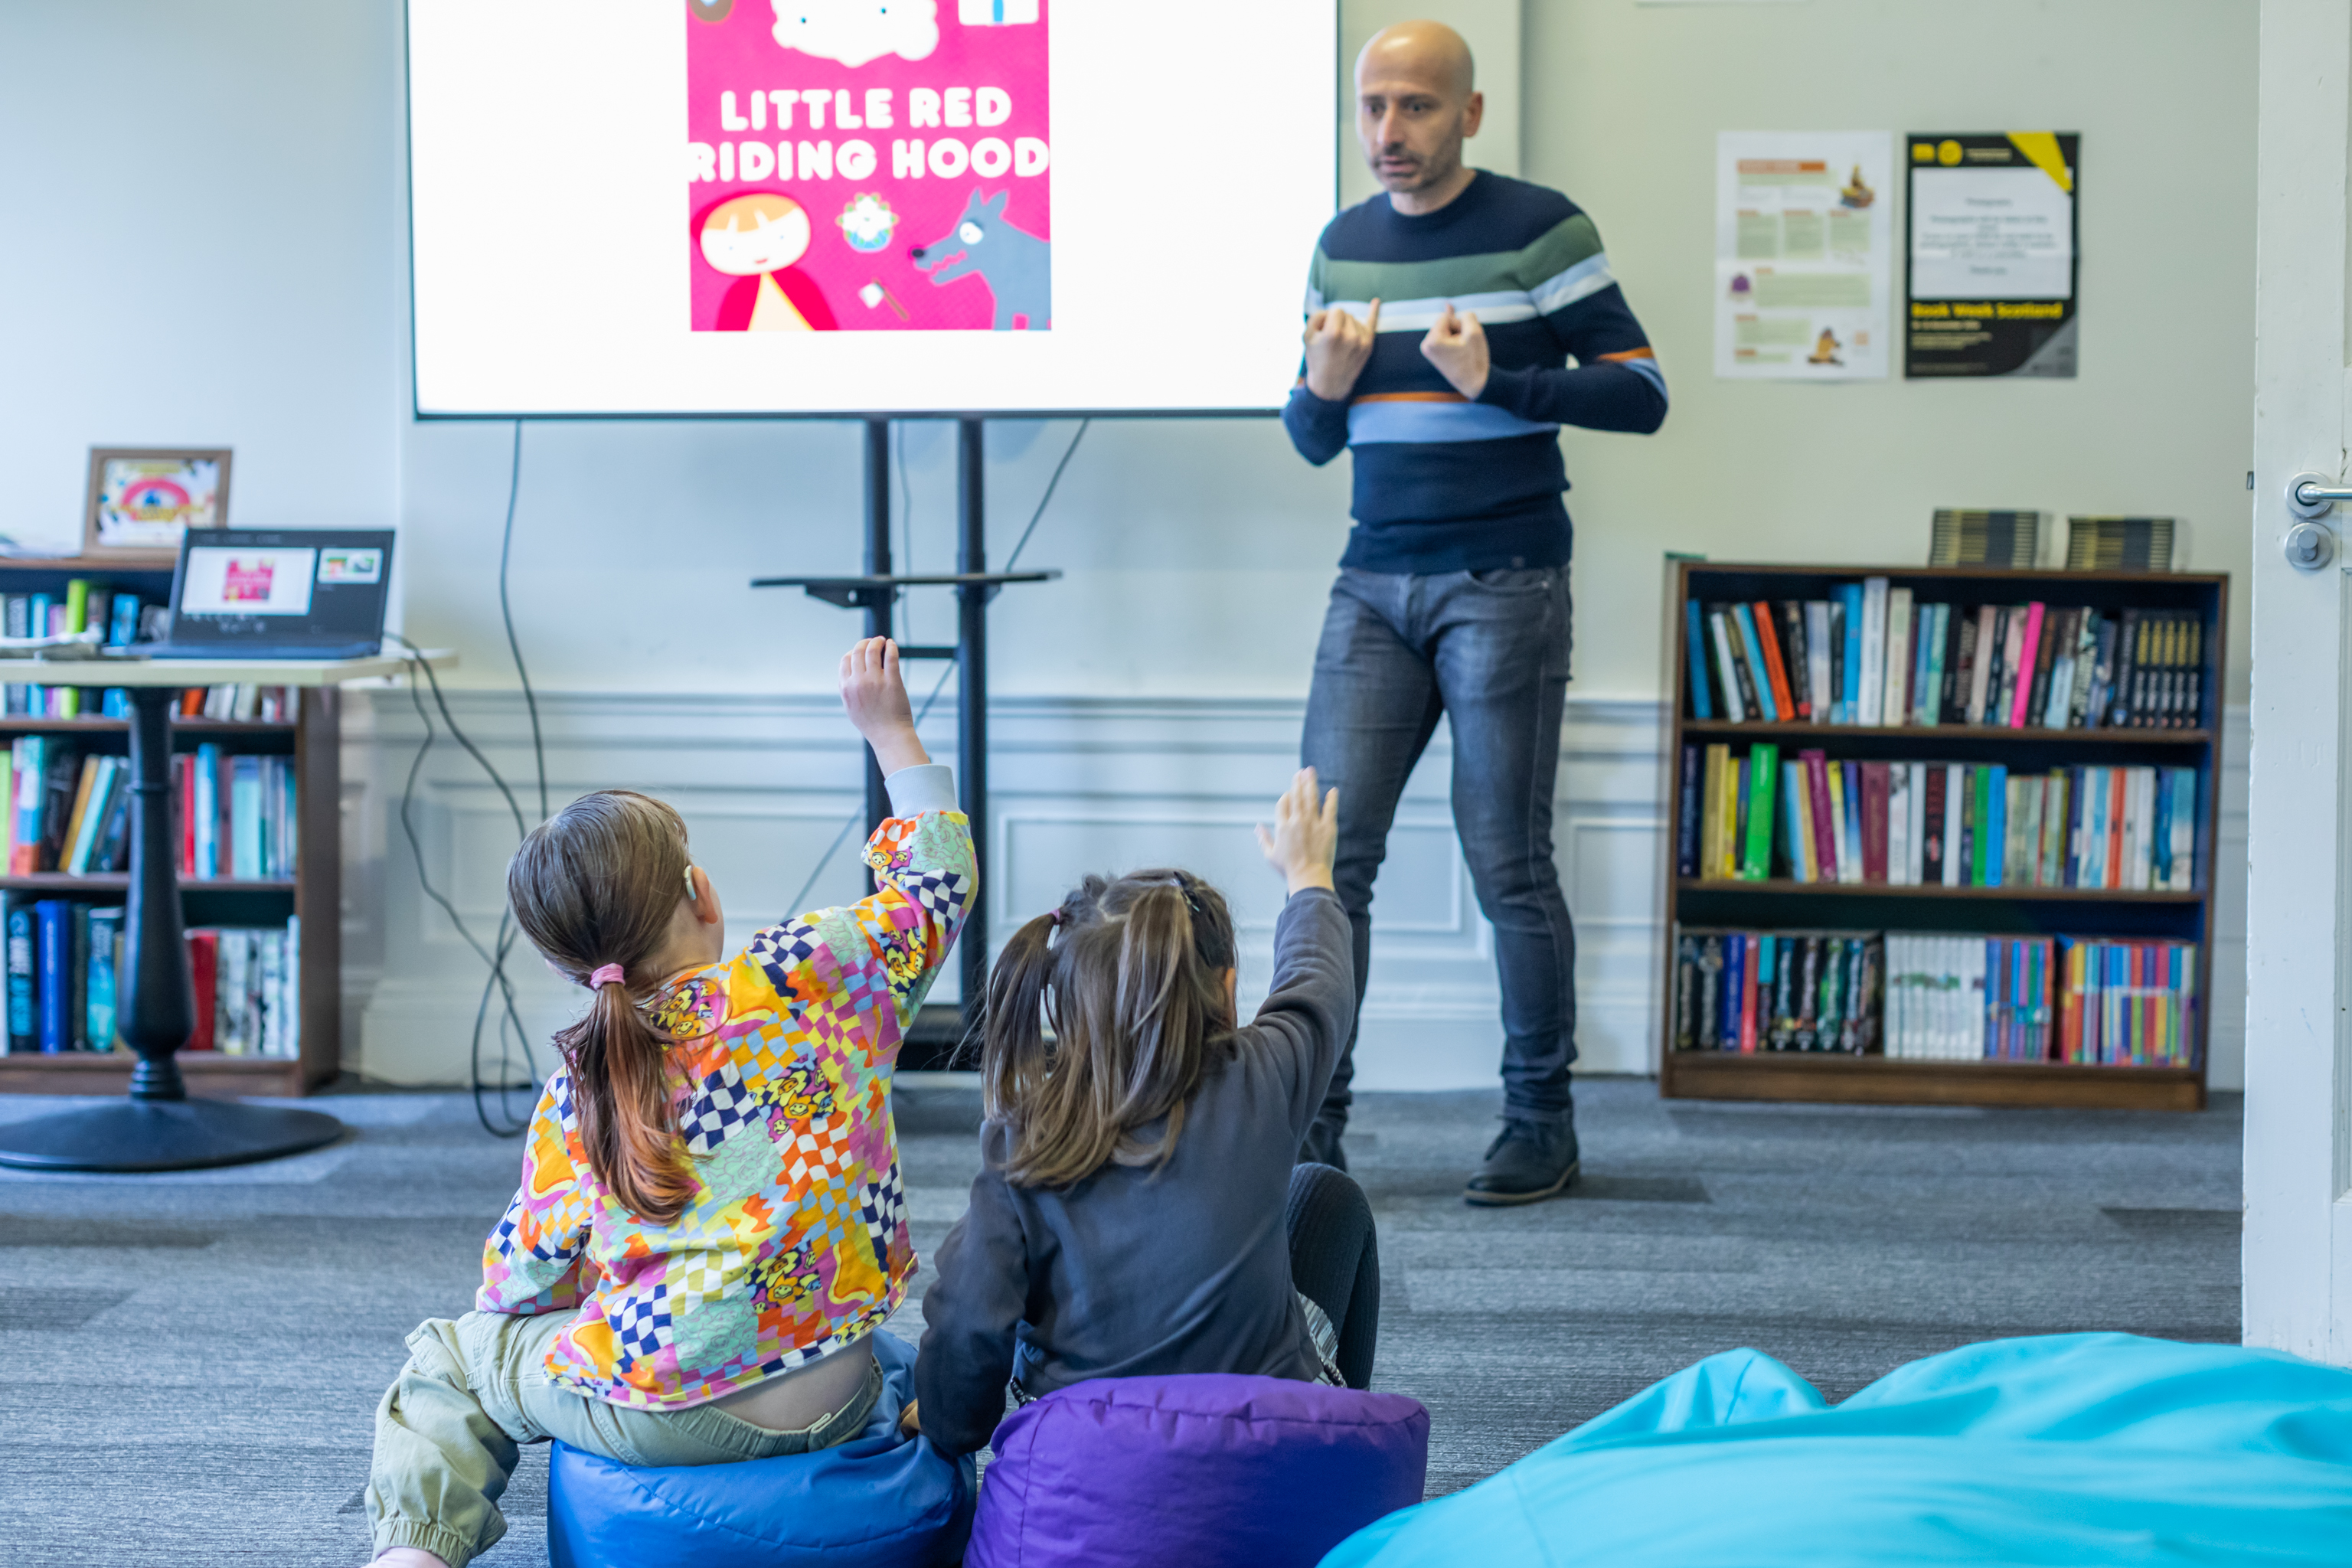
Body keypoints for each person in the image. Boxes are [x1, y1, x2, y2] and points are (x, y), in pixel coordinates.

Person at [365, 639, 971, 1568]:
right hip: (840, 1387)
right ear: (702, 892)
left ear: (573, 966)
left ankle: (410, 1557)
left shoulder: (580, 1083)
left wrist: (560, 1307)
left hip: (661, 1414)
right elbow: (934, 887)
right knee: (871, 1333)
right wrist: (891, 733)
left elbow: (523, 1276)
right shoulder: (824, 973)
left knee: (451, 1355)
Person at [1283, 21, 1668, 1203]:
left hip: (1504, 579)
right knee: (1326, 861)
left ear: (1471, 115)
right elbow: (1309, 438)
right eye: (1372, 109)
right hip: (1373, 580)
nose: (1388, 134)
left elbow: (1642, 395)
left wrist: (1498, 381)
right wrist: (1324, 388)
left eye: (1416, 108)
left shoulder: (1540, 231)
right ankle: (1311, 1130)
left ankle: (1538, 1119)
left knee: (1506, 858)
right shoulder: (1341, 247)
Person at [910, 769, 1379, 1456]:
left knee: (1020, 1299)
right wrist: (1308, 874)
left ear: (1064, 1003)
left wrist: (951, 1425)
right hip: (1265, 1461)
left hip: (1090, 1479)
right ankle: (1339, 1452)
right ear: (1227, 988)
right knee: (1326, 1198)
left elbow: (967, 1325)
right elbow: (1321, 983)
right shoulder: (1267, 1075)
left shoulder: (1021, 1136)